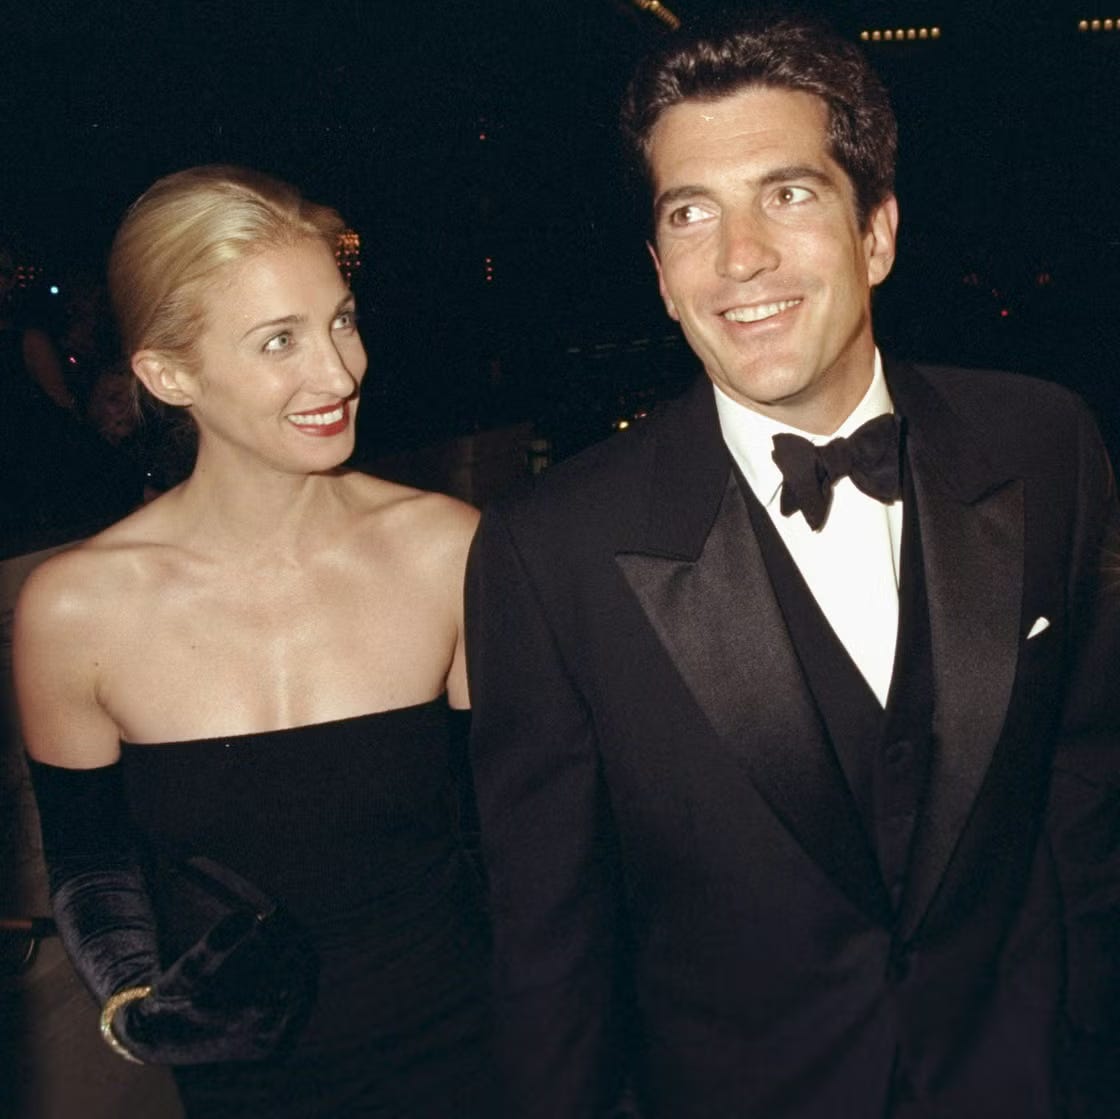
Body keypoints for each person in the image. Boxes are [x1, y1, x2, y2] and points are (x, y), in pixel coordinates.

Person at [465, 14, 1120, 1118]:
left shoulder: (1042, 443)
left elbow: (1087, 780)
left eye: (788, 193)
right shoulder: (548, 551)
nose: (739, 259)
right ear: (660, 276)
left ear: (877, 235)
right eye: (690, 213)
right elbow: (549, 958)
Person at [15, 166, 494, 1117]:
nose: (340, 370)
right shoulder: (74, 610)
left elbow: (511, 830)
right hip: (246, 1085)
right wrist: (134, 1006)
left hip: (473, 1053)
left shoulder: (448, 548)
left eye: (342, 320)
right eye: (280, 340)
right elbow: (91, 862)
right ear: (168, 373)